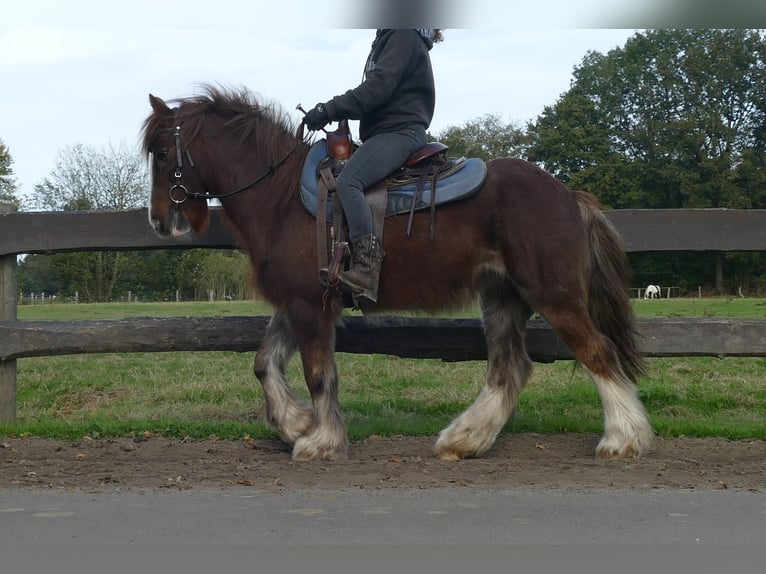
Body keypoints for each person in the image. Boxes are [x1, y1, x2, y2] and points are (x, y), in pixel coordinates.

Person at [303, 28, 443, 303]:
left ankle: (365, 269)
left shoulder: (403, 35)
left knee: (348, 181)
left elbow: (377, 90)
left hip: (400, 133)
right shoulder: (393, 37)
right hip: (388, 133)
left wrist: (329, 109)